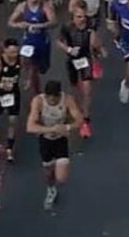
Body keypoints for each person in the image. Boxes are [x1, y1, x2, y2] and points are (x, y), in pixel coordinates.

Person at [26, 79, 83, 210]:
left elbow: (79, 120)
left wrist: (67, 127)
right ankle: (51, 189)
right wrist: (51, 129)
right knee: (48, 172)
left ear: (59, 95)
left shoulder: (67, 100)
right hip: (45, 140)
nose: (51, 99)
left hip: (60, 140)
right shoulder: (38, 101)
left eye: (54, 97)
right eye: (49, 96)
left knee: (61, 178)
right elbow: (30, 126)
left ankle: (57, 181)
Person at [58, 7, 100, 138]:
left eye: (84, 16)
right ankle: (77, 113)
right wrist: (69, 50)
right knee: (75, 90)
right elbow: (58, 41)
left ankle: (86, 120)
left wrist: (97, 49)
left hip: (85, 59)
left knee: (87, 90)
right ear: (74, 17)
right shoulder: (67, 27)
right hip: (72, 61)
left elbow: (94, 42)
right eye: (79, 17)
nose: (82, 19)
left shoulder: (90, 26)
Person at [8, 0, 56, 95]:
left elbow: (54, 22)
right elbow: (10, 22)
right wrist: (20, 24)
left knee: (42, 69)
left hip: (42, 40)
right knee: (28, 62)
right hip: (29, 40)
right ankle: (35, 89)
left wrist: (40, 25)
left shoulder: (45, 6)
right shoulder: (22, 7)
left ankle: (33, 81)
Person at [0, 38, 23, 161]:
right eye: (12, 53)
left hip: (14, 92)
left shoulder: (21, 59)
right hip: (1, 92)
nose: (14, 55)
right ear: (5, 50)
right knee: (0, 113)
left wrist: (28, 79)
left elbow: (28, 68)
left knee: (13, 120)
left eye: (16, 52)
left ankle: (9, 149)